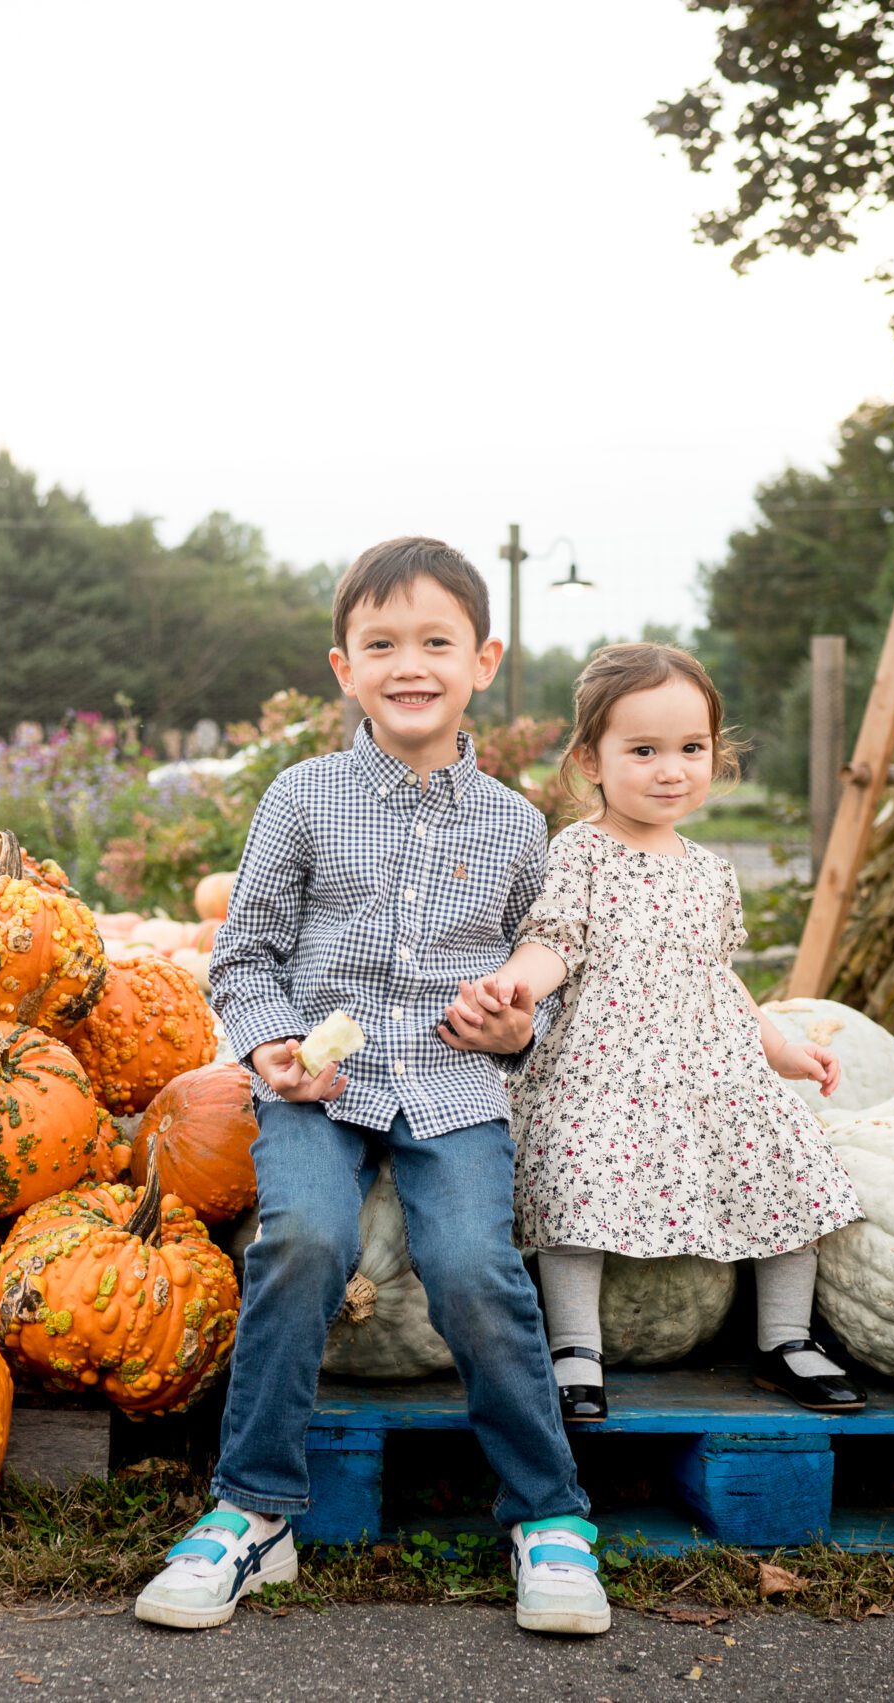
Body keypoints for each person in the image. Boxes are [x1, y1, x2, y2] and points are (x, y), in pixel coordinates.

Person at [132, 537, 610, 1638]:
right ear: (342, 666)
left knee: (473, 1265)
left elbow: (528, 984)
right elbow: (242, 955)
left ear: (483, 659)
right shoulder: (298, 799)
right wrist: (271, 1054)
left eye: (436, 641)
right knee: (300, 1238)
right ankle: (253, 1510)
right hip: (317, 1087)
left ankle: (548, 1513)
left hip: (451, 1085)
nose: (411, 663)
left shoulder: (512, 827)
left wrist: (509, 1023)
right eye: (381, 642)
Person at [444, 642, 868, 1423]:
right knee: (580, 1164)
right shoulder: (583, 852)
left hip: (710, 1067)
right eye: (643, 750)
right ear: (590, 761)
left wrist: (779, 1045)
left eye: (691, 749)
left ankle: (785, 1337)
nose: (671, 769)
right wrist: (516, 984)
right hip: (605, 1066)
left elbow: (718, 974)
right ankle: (575, 1347)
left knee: (789, 1156)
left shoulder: (710, 870)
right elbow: (555, 943)